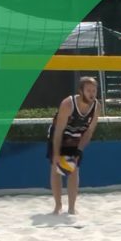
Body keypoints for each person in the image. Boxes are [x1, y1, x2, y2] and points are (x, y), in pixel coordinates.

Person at [47, 76, 100, 215]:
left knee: (74, 169)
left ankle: (71, 207)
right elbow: (58, 131)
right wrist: (57, 154)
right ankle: (58, 206)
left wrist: (79, 150)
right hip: (60, 135)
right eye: (88, 90)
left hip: (76, 136)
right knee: (56, 168)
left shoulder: (96, 106)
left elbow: (89, 132)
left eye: (94, 90)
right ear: (81, 91)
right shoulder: (68, 104)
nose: (92, 93)